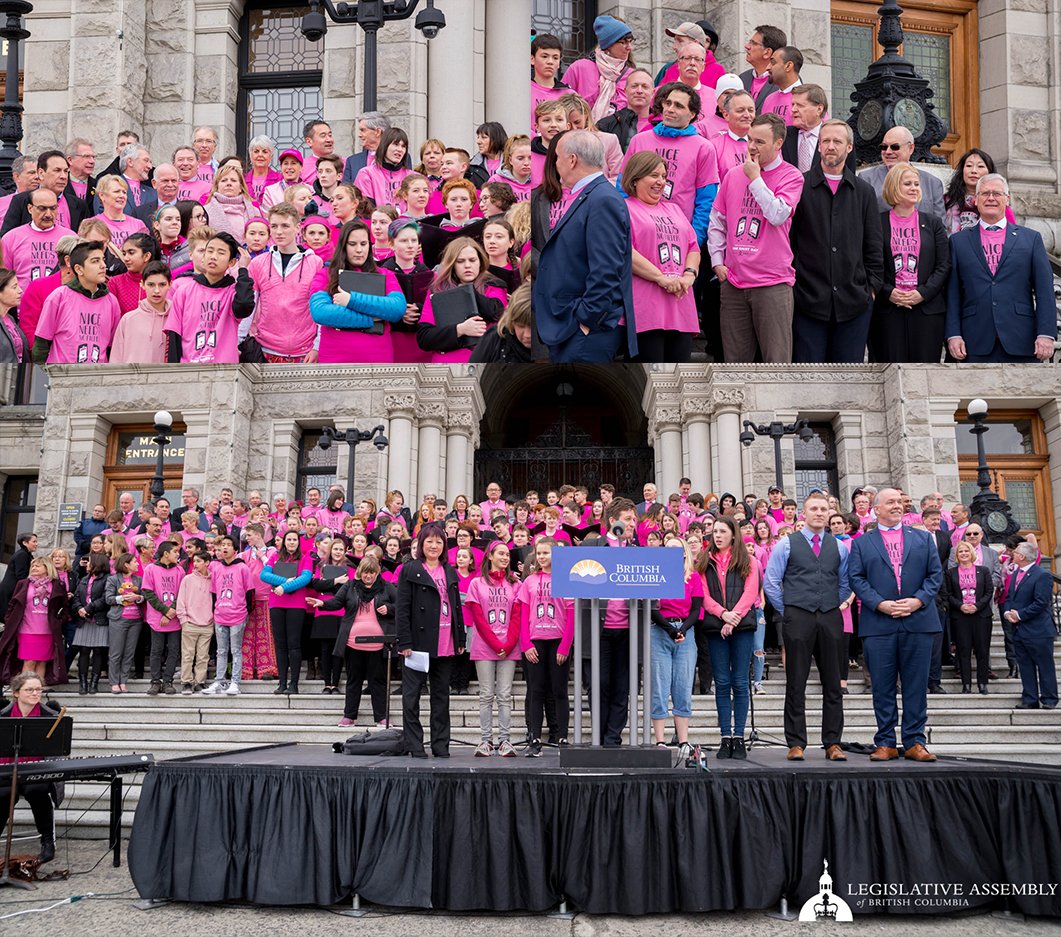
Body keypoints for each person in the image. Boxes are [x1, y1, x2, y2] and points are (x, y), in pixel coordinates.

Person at [849, 488, 944, 761]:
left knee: (916, 685)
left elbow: (935, 575)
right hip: (880, 623)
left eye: (899, 502)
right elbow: (856, 578)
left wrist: (918, 601)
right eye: (890, 502)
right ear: (876, 509)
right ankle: (886, 742)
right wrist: (879, 603)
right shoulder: (862, 543)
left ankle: (915, 741)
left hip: (918, 621)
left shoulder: (923, 538)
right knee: (882, 686)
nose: (897, 506)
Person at [708, 112, 804, 363]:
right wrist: (717, 261)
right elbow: (717, 221)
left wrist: (755, 179)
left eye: (760, 142)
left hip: (773, 283)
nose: (751, 146)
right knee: (735, 366)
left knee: (776, 364)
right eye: (750, 139)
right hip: (734, 282)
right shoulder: (732, 175)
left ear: (778, 143)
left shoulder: (792, 176)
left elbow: (777, 214)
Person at [763, 491, 850, 762]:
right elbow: (771, 582)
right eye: (814, 509)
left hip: (830, 617)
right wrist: (788, 609)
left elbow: (845, 582)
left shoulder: (839, 547)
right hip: (797, 617)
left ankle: (832, 743)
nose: (819, 513)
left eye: (824, 509)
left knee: (833, 683)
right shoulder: (786, 544)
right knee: (796, 681)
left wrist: (832, 603)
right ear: (804, 513)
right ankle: (796, 742)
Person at [535, 130, 635, 362]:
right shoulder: (592, 195)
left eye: (557, 157)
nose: (555, 163)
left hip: (587, 331)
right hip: (571, 328)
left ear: (572, 160)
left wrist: (587, 319)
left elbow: (606, 269)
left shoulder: (602, 199)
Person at [790, 119, 884, 363]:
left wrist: (871, 289)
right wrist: (796, 286)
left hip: (854, 304)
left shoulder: (864, 192)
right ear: (819, 146)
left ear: (849, 147)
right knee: (809, 377)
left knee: (848, 379)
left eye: (837, 141)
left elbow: (873, 245)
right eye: (826, 141)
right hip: (807, 301)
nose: (831, 146)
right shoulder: (800, 186)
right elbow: (789, 242)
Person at [945, 173, 1056, 363]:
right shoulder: (958, 241)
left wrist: (1046, 333)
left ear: (1007, 199)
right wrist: (953, 334)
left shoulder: (1031, 239)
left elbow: (1045, 291)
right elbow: (953, 293)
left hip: (1022, 340)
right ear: (976, 199)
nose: (991, 198)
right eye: (985, 193)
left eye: (997, 193)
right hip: (973, 341)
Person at [396, 524, 466, 758]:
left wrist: (460, 637)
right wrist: (404, 642)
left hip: (445, 642)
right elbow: (402, 608)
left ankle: (441, 745)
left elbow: (456, 607)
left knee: (441, 698)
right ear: (421, 545)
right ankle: (415, 745)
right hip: (417, 644)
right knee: (411, 698)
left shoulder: (449, 570)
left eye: (439, 541)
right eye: (429, 541)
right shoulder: (410, 569)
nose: (434, 546)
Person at [623, 151, 700, 362]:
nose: (661, 182)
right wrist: (661, 278)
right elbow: (625, 250)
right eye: (654, 175)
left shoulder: (674, 209)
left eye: (664, 176)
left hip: (681, 304)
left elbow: (693, 247)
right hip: (646, 308)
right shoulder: (624, 208)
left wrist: (689, 275)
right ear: (635, 178)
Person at [871, 162, 952, 363]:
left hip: (926, 312)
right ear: (893, 187)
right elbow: (870, 263)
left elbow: (943, 265)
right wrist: (888, 292)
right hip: (888, 312)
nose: (914, 188)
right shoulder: (877, 223)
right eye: (908, 184)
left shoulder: (933, 223)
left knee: (924, 374)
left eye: (916, 184)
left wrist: (922, 293)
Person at [310, 554, 393, 727]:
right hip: (353, 643)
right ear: (360, 572)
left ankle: (381, 717)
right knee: (354, 681)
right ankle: (349, 716)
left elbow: (401, 605)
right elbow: (337, 602)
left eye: (372, 573)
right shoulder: (350, 586)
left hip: (378, 644)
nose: (368, 576)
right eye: (365, 572)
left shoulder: (386, 587)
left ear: (377, 572)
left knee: (378, 682)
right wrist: (323, 604)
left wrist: (389, 608)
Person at [514, 537, 573, 755]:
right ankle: (535, 738)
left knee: (559, 690)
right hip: (535, 641)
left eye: (546, 553)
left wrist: (565, 646)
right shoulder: (529, 581)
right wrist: (526, 644)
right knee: (536, 690)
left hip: (558, 641)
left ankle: (562, 737)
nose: (541, 557)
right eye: (539, 553)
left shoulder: (565, 579)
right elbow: (522, 615)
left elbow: (571, 614)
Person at [464, 541, 521, 756]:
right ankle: (486, 741)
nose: (505, 557)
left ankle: (505, 741)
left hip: (509, 646)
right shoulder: (476, 583)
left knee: (504, 695)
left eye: (507, 554)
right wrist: (496, 644)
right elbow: (478, 618)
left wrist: (508, 644)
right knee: (486, 695)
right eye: (501, 554)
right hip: (484, 646)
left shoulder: (515, 584)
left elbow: (517, 616)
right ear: (490, 556)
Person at [0, 672, 62, 863]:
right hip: (6, 769)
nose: (35, 693)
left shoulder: (51, 715)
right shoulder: (3, 715)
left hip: (37, 769)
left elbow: (58, 750)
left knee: (37, 790)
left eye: (38, 689)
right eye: (30, 690)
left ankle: (47, 841)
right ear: (16, 693)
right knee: (3, 793)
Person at [651, 539, 703, 757]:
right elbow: (651, 607)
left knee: (683, 685)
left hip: (685, 631)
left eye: (676, 547)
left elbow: (696, 608)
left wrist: (682, 629)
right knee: (659, 685)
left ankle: (683, 741)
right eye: (667, 547)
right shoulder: (656, 574)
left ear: (683, 552)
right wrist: (670, 630)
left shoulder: (693, 577)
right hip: (659, 631)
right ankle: (660, 740)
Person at [1002, 542, 1057, 710]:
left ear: (1022, 556)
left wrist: (1019, 615)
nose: (1012, 553)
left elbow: (1041, 602)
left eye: (1015, 552)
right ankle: (1030, 698)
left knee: (1045, 666)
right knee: (1025, 666)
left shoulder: (1042, 575)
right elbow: (1009, 597)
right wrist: (1007, 613)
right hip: (1019, 630)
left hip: (1039, 630)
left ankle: (1049, 698)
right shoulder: (1016, 573)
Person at [260, 529, 314, 694]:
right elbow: (264, 575)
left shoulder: (305, 558)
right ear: (284, 542)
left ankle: (294, 684)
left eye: (294, 540)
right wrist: (285, 581)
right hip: (277, 603)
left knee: (294, 644)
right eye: (289, 539)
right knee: (280, 645)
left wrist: (284, 587)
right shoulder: (275, 557)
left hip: (296, 605)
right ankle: (282, 683)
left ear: (298, 542)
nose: (291, 542)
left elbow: (305, 578)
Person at [0, 555, 67, 686]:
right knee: (29, 661)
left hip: (47, 631)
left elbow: (65, 607)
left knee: (42, 662)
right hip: (26, 629)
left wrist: (59, 622)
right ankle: (25, 689)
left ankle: (37, 691)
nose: (34, 568)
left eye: (38, 565)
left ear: (47, 568)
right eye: (33, 566)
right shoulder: (23, 584)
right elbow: (12, 604)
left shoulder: (57, 585)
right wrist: (9, 620)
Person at [861, 126, 946, 219]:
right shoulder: (866, 179)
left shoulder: (932, 183)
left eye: (895, 147)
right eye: (884, 147)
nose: (888, 152)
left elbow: (940, 224)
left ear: (910, 148)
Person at [1, 187, 76, 291]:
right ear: (30, 208)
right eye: (42, 208)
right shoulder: (11, 238)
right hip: (23, 300)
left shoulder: (71, 238)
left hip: (60, 299)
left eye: (53, 208)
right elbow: (4, 278)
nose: (48, 214)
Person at [563, 14, 636, 120]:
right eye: (623, 42)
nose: (629, 47)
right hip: (583, 129)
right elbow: (561, 105)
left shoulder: (633, 75)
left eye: (630, 42)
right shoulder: (579, 68)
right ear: (608, 45)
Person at [946, 540, 994, 695]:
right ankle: (966, 684)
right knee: (963, 650)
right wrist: (961, 606)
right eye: (960, 551)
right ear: (957, 555)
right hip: (960, 616)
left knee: (982, 650)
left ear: (972, 553)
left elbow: (989, 591)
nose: (964, 554)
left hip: (981, 615)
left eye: (966, 551)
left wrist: (977, 606)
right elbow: (948, 594)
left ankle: (982, 683)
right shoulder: (951, 573)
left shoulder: (983, 570)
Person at [140, 541, 185, 696]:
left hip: (174, 617)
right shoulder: (151, 569)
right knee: (156, 650)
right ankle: (155, 681)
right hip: (157, 618)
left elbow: (182, 592)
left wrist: (171, 611)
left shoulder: (179, 570)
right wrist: (165, 611)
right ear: (166, 554)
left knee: (173, 650)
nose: (178, 554)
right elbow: (149, 593)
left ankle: (168, 681)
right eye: (175, 552)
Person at [782, 84, 855, 175]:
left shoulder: (841, 138)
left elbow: (849, 176)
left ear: (819, 109)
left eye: (800, 105)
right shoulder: (783, 135)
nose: (793, 109)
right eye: (793, 104)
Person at [943, 148, 1015, 234]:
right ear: (962, 170)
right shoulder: (946, 201)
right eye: (969, 166)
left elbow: (1012, 234)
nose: (973, 171)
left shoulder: (998, 203)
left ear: (989, 172)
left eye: (980, 166)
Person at [104, 551, 144, 693]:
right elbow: (108, 598)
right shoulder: (113, 579)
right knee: (116, 652)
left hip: (136, 621)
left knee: (129, 653)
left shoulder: (139, 579)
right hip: (118, 619)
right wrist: (123, 598)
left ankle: (123, 681)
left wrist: (137, 597)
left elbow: (144, 597)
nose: (137, 564)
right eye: (134, 562)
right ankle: (114, 682)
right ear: (126, 564)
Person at [596, 69, 655, 152]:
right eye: (634, 86)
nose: (639, 91)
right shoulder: (606, 126)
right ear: (625, 91)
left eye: (645, 87)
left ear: (653, 92)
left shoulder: (662, 125)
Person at [204, 163, 258, 241]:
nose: (229, 183)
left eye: (233, 180)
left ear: (240, 187)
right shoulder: (205, 211)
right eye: (224, 180)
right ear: (217, 186)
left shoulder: (255, 212)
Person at [739, 25, 786, 110]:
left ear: (767, 52)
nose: (747, 46)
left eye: (753, 43)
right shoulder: (742, 78)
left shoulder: (785, 81)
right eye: (749, 42)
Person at [760, 46, 803, 124]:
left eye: (773, 62)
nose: (767, 68)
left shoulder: (808, 99)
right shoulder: (769, 99)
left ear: (788, 66)